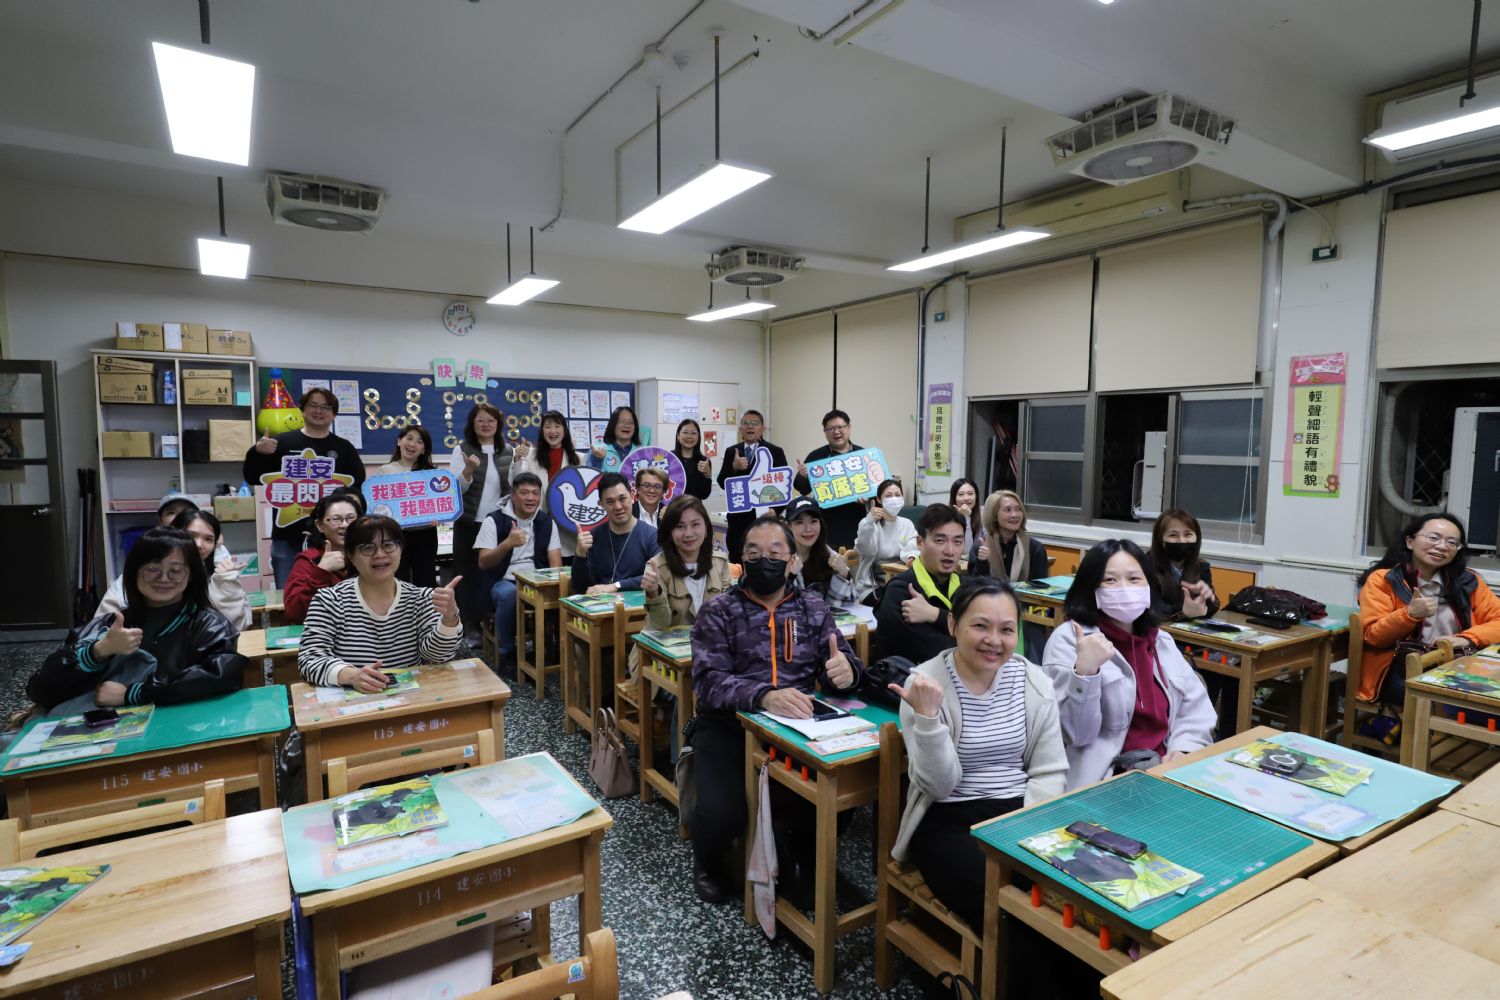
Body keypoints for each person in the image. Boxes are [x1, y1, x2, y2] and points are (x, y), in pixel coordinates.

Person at [689, 515, 865, 902]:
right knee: (722, 814)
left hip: (796, 727)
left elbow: (843, 661)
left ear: (792, 562)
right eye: (754, 553)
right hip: (729, 727)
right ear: (741, 559)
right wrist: (764, 696)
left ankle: (801, 851)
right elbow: (707, 681)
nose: (764, 561)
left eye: (774, 553)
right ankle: (708, 860)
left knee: (849, 783)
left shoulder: (812, 608)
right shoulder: (718, 611)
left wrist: (846, 671)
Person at [888, 578, 1067, 930]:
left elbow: (1050, 771)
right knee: (1004, 902)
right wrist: (928, 719)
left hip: (1021, 811)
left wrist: (1028, 829)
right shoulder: (924, 685)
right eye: (981, 626)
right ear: (953, 624)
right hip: (948, 819)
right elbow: (938, 786)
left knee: (1066, 889)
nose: (994, 640)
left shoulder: (1035, 683)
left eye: (1006, 630)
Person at [1041, 539, 1215, 789]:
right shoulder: (1070, 640)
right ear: (1091, 587)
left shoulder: (1160, 641)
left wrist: (1183, 750)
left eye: (1134, 579)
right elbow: (1076, 735)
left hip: (1164, 770)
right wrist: (1085, 673)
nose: (1124, 588)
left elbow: (1195, 709)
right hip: (1104, 781)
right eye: (1110, 580)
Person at [29, 527, 246, 713]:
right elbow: (40, 690)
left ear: (191, 576)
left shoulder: (209, 625)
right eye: (152, 570)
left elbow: (223, 676)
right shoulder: (109, 624)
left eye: (176, 571)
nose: (164, 579)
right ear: (133, 572)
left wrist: (134, 693)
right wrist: (99, 651)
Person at [298, 515, 464, 690]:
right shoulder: (329, 600)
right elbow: (309, 659)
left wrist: (449, 619)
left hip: (411, 700)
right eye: (368, 548)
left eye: (388, 545)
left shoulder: (422, 598)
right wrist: (351, 676)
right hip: (353, 702)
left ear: (400, 550)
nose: (380, 554)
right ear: (351, 556)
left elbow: (437, 657)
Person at [1356, 513, 1500, 704]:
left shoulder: (1468, 581)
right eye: (1433, 538)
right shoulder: (1384, 580)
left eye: (1452, 542)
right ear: (1410, 541)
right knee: (1454, 703)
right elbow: (1374, 636)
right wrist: (1409, 614)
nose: (1442, 546)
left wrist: (1467, 638)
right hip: (1399, 667)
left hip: (1456, 663)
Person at [242, 387, 366, 588]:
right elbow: (253, 477)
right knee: (290, 594)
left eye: (326, 407)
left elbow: (356, 488)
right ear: (302, 409)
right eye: (313, 405)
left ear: (334, 414)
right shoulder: (281, 442)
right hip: (287, 537)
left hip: (333, 539)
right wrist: (256, 452)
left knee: (336, 594)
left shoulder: (344, 448)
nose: (319, 411)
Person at [97, 508, 250, 631]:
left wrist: (226, 583)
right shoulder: (138, 577)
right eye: (191, 535)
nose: (199, 545)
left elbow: (235, 628)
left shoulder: (219, 573)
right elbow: (99, 629)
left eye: (208, 539)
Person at [637, 496, 732, 679]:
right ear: (669, 532)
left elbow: (728, 616)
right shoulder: (656, 567)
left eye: (695, 524)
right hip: (662, 663)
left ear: (706, 528)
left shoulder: (719, 563)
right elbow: (660, 624)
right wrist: (653, 593)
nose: (688, 533)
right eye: (680, 526)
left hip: (712, 658)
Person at [475, 472, 562, 669]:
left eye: (535, 493)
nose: (530, 498)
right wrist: (508, 544)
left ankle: (552, 649)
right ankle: (507, 654)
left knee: (565, 589)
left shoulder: (547, 522)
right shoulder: (494, 520)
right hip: (502, 580)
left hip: (536, 581)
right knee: (510, 594)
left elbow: (555, 565)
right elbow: (483, 563)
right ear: (513, 496)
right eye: (524, 493)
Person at [450, 403, 514, 635]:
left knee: (493, 573)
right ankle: (468, 625)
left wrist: (521, 462)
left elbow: (513, 486)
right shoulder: (462, 450)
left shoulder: (508, 451)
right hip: (468, 522)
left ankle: (492, 622)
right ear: (472, 423)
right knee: (467, 575)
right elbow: (455, 490)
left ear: (498, 424)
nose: (486, 424)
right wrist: (468, 469)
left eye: (491, 420)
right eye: (481, 420)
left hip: (496, 523)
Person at [877, 505, 968, 663]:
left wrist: (935, 615)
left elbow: (985, 635)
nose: (950, 551)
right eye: (940, 540)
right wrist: (963, 628)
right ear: (919, 542)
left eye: (957, 541)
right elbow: (941, 653)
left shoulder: (965, 587)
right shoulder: (901, 591)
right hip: (911, 676)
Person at [969, 490, 1052, 654]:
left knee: (1035, 627)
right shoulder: (982, 546)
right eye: (1007, 510)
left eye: (1018, 509)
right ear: (994, 515)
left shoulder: (1034, 548)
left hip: (1027, 610)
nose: (1015, 515)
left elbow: (1040, 590)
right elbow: (974, 588)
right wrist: (982, 562)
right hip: (989, 609)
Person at [715, 410, 790, 562]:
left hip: (764, 521)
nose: (750, 427)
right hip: (738, 522)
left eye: (755, 423)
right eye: (746, 423)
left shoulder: (775, 451)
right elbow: (722, 482)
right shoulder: (732, 452)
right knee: (737, 563)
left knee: (763, 562)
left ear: (763, 428)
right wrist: (734, 468)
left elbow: (784, 487)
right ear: (740, 429)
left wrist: (776, 510)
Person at [570, 472, 661, 594]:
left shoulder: (652, 536)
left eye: (622, 499)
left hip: (640, 605)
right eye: (610, 501)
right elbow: (581, 588)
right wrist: (580, 555)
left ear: (632, 497)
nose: (618, 506)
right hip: (600, 604)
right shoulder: (592, 537)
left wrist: (617, 586)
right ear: (601, 504)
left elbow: (655, 575)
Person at [511, 409, 585, 560]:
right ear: (542, 432)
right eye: (548, 426)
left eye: (557, 426)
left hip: (568, 531)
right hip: (539, 526)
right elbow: (518, 483)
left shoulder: (579, 458)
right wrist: (517, 459)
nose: (553, 431)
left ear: (564, 431)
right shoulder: (531, 456)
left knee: (568, 568)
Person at [282, 491, 365, 624]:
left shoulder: (370, 556)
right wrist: (321, 572)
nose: (345, 525)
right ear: (320, 526)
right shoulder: (309, 560)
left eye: (351, 518)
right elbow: (295, 614)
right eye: (336, 519)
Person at [377, 426, 440, 588]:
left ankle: (426, 605)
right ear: (399, 441)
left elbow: (438, 503)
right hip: (395, 534)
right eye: (409, 438)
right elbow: (378, 506)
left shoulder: (432, 473)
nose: (412, 444)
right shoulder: (385, 471)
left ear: (423, 449)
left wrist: (438, 516)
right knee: (398, 579)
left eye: (419, 441)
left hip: (425, 533)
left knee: (426, 579)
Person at [792, 409, 865, 550]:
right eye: (831, 429)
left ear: (849, 428)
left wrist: (867, 499)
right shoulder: (816, 456)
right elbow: (802, 489)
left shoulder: (862, 454)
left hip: (856, 520)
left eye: (840, 427)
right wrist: (802, 475)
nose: (836, 432)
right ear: (825, 432)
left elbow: (875, 489)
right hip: (827, 523)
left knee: (855, 560)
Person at [853, 478, 918, 601]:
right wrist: (869, 521)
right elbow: (864, 550)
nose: (894, 499)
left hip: (900, 582)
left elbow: (914, 545)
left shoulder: (907, 524)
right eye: (888, 496)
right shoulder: (869, 523)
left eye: (897, 495)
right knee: (893, 604)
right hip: (872, 586)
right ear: (879, 499)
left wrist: (911, 556)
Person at [784, 496, 854, 604]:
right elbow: (777, 604)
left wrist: (844, 574)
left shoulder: (830, 556)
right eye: (800, 522)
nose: (808, 529)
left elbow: (846, 605)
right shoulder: (780, 559)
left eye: (813, 521)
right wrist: (791, 576)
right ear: (789, 526)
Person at [590, 405, 641, 474]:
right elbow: (589, 477)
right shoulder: (597, 451)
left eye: (631, 422)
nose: (627, 425)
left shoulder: (641, 452)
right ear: (613, 425)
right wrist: (598, 460)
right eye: (622, 421)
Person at [673, 418, 714, 500]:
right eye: (685, 432)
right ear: (678, 436)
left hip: (694, 506)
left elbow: (704, 495)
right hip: (673, 506)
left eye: (694, 433)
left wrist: (708, 475)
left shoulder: (704, 462)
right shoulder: (670, 458)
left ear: (698, 438)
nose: (689, 436)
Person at [949, 478, 982, 556]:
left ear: (976, 496)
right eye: (961, 494)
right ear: (954, 498)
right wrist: (965, 518)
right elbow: (966, 552)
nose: (966, 498)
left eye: (970, 493)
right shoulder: (947, 517)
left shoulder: (983, 514)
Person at [631, 466, 670, 530]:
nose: (652, 491)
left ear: (664, 491)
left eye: (657, 487)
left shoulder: (668, 513)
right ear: (638, 488)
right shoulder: (629, 512)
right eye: (647, 486)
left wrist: (669, 521)